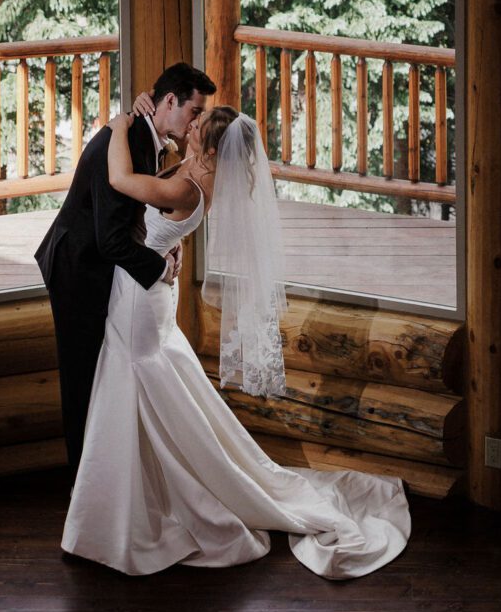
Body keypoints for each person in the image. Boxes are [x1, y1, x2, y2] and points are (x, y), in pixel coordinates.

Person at [61, 102, 410, 578]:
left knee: (135, 383)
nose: (190, 126)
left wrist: (117, 124)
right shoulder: (193, 173)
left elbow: (122, 182)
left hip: (140, 301)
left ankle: (130, 516)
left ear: (208, 144)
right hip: (147, 291)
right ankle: (140, 495)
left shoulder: (189, 184)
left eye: (197, 126)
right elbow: (156, 219)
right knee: (148, 390)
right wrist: (169, 243)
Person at [36, 61, 216, 472]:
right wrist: (159, 266)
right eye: (193, 111)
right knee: (83, 380)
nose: (195, 123)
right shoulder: (129, 139)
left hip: (105, 265)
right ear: (169, 101)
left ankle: (119, 472)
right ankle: (83, 487)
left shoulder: (144, 135)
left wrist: (168, 246)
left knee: (106, 375)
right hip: (79, 269)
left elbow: (135, 219)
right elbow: (110, 239)